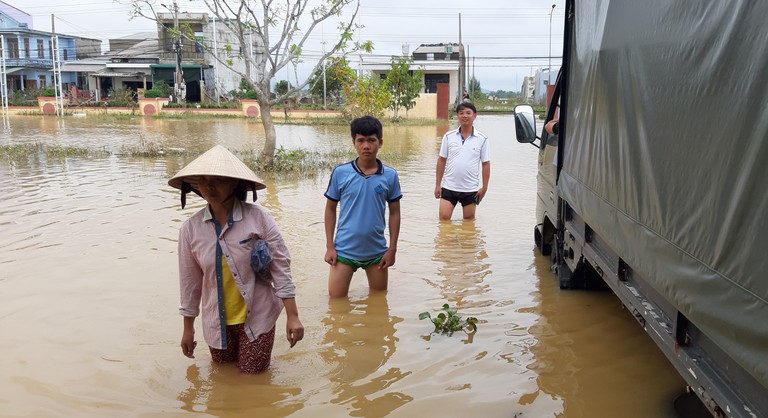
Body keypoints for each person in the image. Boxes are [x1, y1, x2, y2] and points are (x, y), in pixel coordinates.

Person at [168, 145, 304, 374]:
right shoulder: (190, 230)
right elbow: (190, 283)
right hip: (216, 323)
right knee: (223, 378)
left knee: (253, 379)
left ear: (234, 183)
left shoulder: (259, 219)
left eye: (217, 180)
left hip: (257, 318)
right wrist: (188, 329)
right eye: (202, 180)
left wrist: (293, 316)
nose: (209, 186)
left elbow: (281, 266)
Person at [324, 116, 402, 298]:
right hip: (343, 251)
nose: (366, 146)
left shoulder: (390, 176)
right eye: (361, 140)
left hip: (377, 253)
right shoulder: (340, 173)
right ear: (354, 143)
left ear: (380, 143)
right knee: (336, 302)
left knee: (379, 301)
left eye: (371, 140)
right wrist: (329, 246)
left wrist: (392, 250)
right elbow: (330, 209)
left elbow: (395, 214)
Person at [435, 102, 491, 220]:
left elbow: (486, 164)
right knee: (444, 220)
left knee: (469, 222)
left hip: (470, 188)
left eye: (468, 113)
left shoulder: (482, 139)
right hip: (449, 186)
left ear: (474, 116)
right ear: (457, 116)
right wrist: (437, 185)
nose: (465, 116)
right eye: (461, 113)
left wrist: (484, 188)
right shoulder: (448, 136)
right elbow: (441, 161)